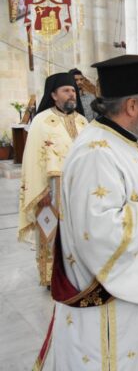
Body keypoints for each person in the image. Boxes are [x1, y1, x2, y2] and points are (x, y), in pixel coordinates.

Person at [33, 55, 138, 370]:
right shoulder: (96, 154)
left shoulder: (122, 140)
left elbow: (136, 191)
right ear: (131, 106)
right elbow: (102, 234)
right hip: (111, 312)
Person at [18, 72, 88, 287]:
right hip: (51, 189)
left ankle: (77, 273)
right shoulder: (41, 121)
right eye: (66, 90)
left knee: (78, 232)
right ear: (54, 95)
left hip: (80, 188)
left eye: (73, 90)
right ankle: (50, 277)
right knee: (51, 232)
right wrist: (40, 192)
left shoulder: (83, 121)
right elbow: (32, 158)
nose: (72, 94)